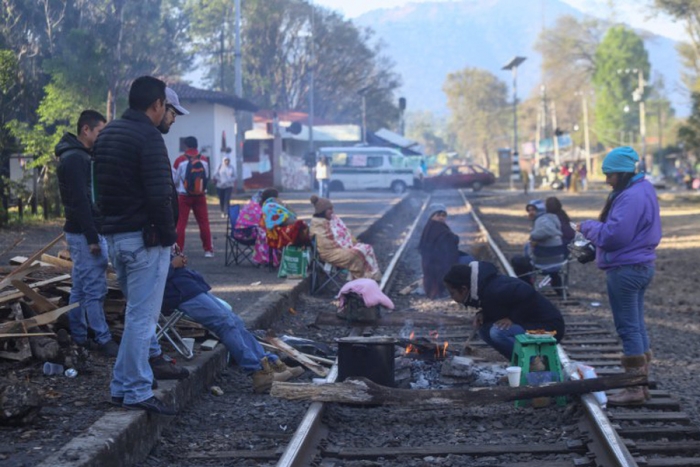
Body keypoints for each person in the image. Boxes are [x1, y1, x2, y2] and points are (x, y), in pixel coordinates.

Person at [93, 75, 178, 415]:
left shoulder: (107, 133)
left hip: (115, 238)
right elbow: (160, 195)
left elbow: (96, 189)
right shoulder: (149, 137)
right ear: (156, 105)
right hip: (146, 241)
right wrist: (170, 238)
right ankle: (138, 390)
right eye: (163, 107)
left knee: (134, 315)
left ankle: (120, 386)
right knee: (142, 319)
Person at [577, 146, 661, 406]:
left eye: (610, 175)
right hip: (640, 265)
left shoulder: (630, 197)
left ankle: (634, 389)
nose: (607, 180)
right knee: (636, 326)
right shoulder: (643, 189)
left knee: (628, 328)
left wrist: (588, 226)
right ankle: (641, 385)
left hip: (626, 269)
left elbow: (614, 236)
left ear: (623, 173)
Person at [163, 250, 304, 392]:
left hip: (186, 285)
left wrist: (176, 259)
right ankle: (258, 372)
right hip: (176, 292)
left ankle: (268, 363)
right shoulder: (143, 239)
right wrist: (172, 265)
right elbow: (147, 277)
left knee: (235, 321)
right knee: (225, 324)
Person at [55, 110, 119, 357]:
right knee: (94, 289)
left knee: (80, 288)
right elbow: (80, 201)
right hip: (83, 233)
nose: (101, 136)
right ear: (86, 130)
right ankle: (102, 338)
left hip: (82, 231)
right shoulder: (74, 159)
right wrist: (93, 237)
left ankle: (80, 336)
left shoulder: (80, 156)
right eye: (100, 131)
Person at [444, 262, 565, 360]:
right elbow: (501, 305)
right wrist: (483, 314)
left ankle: (534, 365)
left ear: (464, 289)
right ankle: (517, 364)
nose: (452, 297)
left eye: (452, 293)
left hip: (549, 328)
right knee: (485, 329)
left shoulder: (493, 289)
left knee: (498, 333)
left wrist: (512, 318)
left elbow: (528, 293)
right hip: (530, 324)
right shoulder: (483, 288)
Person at [308, 195, 381, 281]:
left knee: (367, 248)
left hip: (339, 250)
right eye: (330, 209)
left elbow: (342, 233)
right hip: (330, 254)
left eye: (332, 208)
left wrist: (349, 242)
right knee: (356, 255)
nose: (332, 211)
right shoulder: (317, 225)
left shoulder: (330, 220)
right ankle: (359, 283)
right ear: (323, 211)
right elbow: (328, 245)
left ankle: (370, 279)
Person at [418, 203, 474, 299]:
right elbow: (449, 245)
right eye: (438, 215)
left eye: (443, 215)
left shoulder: (430, 227)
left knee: (467, 259)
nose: (441, 218)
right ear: (432, 216)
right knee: (469, 261)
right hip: (440, 265)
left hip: (435, 263)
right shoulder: (438, 229)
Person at [511, 199, 566, 294]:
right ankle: (560, 289)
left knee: (516, 261)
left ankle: (528, 289)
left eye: (533, 210)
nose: (530, 212)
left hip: (542, 263)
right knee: (550, 260)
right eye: (529, 210)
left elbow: (546, 230)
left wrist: (533, 236)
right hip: (558, 262)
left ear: (540, 210)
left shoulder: (542, 220)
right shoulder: (553, 218)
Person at [174, 136, 214, 257]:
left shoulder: (180, 160)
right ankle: (208, 250)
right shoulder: (204, 160)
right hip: (200, 195)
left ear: (186, 146)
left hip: (184, 195)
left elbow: (174, 179)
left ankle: (179, 251)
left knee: (181, 223)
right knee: (204, 222)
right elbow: (206, 177)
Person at [235, 190, 278, 266]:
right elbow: (266, 224)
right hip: (245, 234)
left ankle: (272, 258)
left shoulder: (255, 204)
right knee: (268, 233)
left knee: (269, 232)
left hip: (237, 233)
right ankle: (266, 259)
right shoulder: (259, 208)